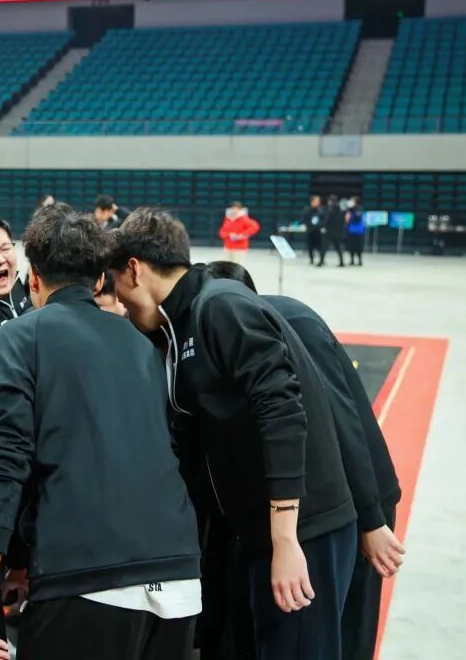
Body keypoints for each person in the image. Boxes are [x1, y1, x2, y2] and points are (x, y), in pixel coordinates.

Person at [109, 208, 357, 660]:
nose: (121, 304)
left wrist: (286, 539)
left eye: (117, 287)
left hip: (302, 533)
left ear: (134, 269)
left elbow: (282, 411)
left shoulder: (220, 306)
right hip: (257, 532)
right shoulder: (181, 323)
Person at [0, 207, 201, 660]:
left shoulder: (20, 336)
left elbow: (2, 460)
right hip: (179, 580)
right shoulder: (142, 345)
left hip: (86, 576)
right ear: (98, 282)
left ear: (34, 278)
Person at [207, 260, 405, 660]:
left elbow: (341, 420)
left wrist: (370, 519)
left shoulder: (289, 324)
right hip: (320, 496)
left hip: (357, 495)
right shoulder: (239, 332)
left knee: (345, 634)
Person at [302, 195, 325, 267]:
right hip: (310, 231)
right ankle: (311, 259)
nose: (318, 202)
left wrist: (320, 226)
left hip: (318, 231)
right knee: (310, 246)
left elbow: (323, 219)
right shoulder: (306, 210)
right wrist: (309, 226)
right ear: (312, 201)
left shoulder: (321, 210)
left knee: (320, 246)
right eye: (316, 201)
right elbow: (304, 220)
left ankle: (321, 260)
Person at [324, 195, 346, 268]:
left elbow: (327, 220)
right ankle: (341, 262)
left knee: (325, 247)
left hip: (331, 231)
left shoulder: (331, 209)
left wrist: (324, 227)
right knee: (338, 247)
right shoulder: (340, 209)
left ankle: (321, 261)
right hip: (337, 232)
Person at [345, 197, 365, 267]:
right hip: (351, 230)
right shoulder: (349, 209)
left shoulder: (359, 209)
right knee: (351, 246)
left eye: (352, 201)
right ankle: (352, 260)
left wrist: (350, 217)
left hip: (358, 231)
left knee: (358, 246)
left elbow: (357, 218)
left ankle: (360, 260)